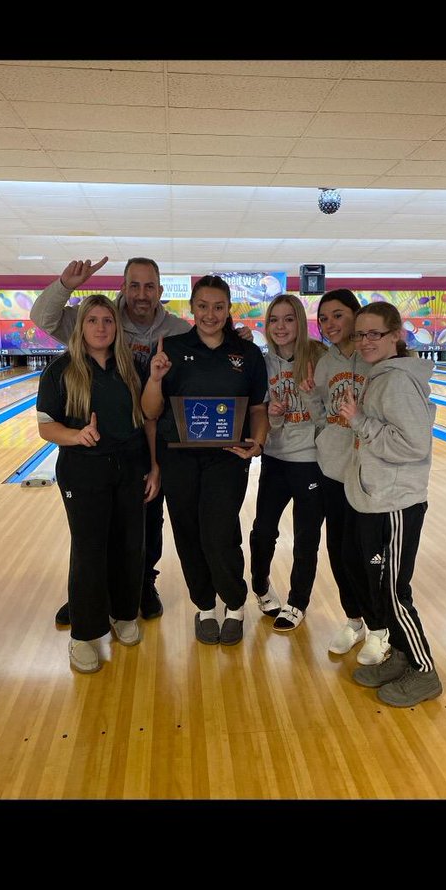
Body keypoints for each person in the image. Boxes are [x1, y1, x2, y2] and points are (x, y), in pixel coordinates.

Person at [31, 254, 253, 627]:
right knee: (97, 527)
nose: (141, 293)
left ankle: (142, 585)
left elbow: (211, 337)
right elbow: (43, 319)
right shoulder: (102, 318)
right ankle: (90, 595)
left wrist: (238, 337)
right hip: (104, 445)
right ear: (123, 288)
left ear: (160, 290)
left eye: (149, 286)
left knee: (147, 521)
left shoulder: (179, 327)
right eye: (134, 285)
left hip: (159, 437)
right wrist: (66, 285)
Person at [141, 275, 268, 645]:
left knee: (218, 529)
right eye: (203, 306)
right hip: (178, 457)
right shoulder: (171, 348)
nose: (210, 314)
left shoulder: (247, 353)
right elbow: (151, 411)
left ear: (228, 310)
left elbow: (258, 408)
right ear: (192, 308)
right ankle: (204, 605)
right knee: (187, 531)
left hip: (228, 457)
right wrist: (155, 378)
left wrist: (257, 443)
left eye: (218, 306)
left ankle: (234, 602)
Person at [36, 295, 148, 673]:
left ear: (116, 328)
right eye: (93, 320)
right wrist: (77, 436)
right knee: (89, 552)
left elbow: (148, 418)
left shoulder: (132, 367)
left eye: (108, 321)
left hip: (130, 468)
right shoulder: (60, 370)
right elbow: (46, 427)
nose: (101, 327)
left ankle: (122, 614)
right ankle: (83, 635)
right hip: (83, 472)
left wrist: (154, 467)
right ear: (81, 326)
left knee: (130, 546)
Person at [339, 301, 443, 707]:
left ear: (396, 334)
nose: (365, 341)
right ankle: (399, 656)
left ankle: (424, 670)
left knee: (396, 592)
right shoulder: (380, 375)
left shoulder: (397, 381)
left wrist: (359, 420)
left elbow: (413, 445)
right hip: (377, 497)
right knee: (380, 589)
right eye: (360, 334)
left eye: (374, 334)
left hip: (396, 504)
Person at [299, 289, 389, 664]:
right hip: (335, 470)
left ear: (357, 316)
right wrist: (322, 426)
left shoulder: (377, 359)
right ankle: (354, 621)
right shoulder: (325, 364)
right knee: (340, 550)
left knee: (370, 552)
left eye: (338, 315)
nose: (330, 324)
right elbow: (320, 408)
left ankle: (380, 630)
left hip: (371, 474)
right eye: (323, 318)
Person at [249, 294, 327, 631]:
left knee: (306, 536)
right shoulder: (264, 363)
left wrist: (310, 396)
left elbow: (330, 415)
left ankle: (297, 601)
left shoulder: (320, 358)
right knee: (262, 531)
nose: (281, 327)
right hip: (275, 459)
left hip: (311, 461)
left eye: (288, 319)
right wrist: (274, 415)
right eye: (274, 320)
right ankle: (261, 584)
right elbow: (262, 412)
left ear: (299, 321)